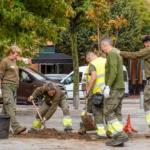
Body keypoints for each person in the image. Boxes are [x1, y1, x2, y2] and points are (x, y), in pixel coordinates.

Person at [100, 37, 128, 147]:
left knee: (107, 111)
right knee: (117, 112)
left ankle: (120, 135)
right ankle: (118, 137)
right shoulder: (117, 52)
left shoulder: (111, 53)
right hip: (120, 87)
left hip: (115, 88)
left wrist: (108, 86)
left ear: (104, 45)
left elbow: (113, 72)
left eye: (102, 48)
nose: (103, 51)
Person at [120, 35, 150, 133]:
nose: (146, 45)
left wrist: (120, 52)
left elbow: (135, 55)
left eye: (146, 43)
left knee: (147, 102)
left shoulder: (148, 50)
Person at [79, 50, 107, 138]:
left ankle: (97, 130)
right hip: (108, 91)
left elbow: (87, 80)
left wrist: (86, 91)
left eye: (88, 60)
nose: (88, 62)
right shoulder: (106, 61)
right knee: (108, 112)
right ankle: (111, 131)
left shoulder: (92, 65)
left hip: (96, 92)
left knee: (89, 111)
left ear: (89, 57)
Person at [0, 45, 26, 135]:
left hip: (14, 87)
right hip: (6, 86)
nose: (17, 56)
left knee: (6, 109)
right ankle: (16, 127)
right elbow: (0, 75)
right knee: (10, 107)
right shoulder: (4, 61)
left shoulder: (14, 61)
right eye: (16, 54)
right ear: (11, 52)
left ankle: (2, 129)